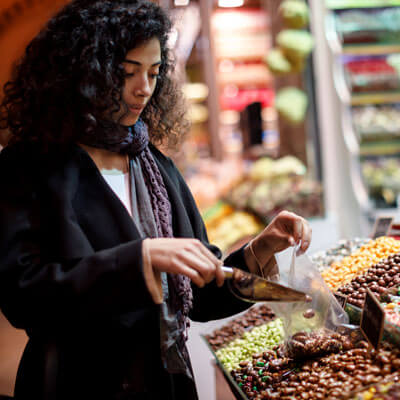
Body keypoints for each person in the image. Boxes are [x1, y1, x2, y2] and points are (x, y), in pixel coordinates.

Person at [0, 1, 312, 399]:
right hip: (77, 384)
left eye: (153, 72)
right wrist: (139, 260)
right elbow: (22, 296)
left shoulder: (156, 167)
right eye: (128, 72)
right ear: (82, 71)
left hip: (164, 383)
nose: (143, 88)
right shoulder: (29, 167)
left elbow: (198, 295)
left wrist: (258, 251)